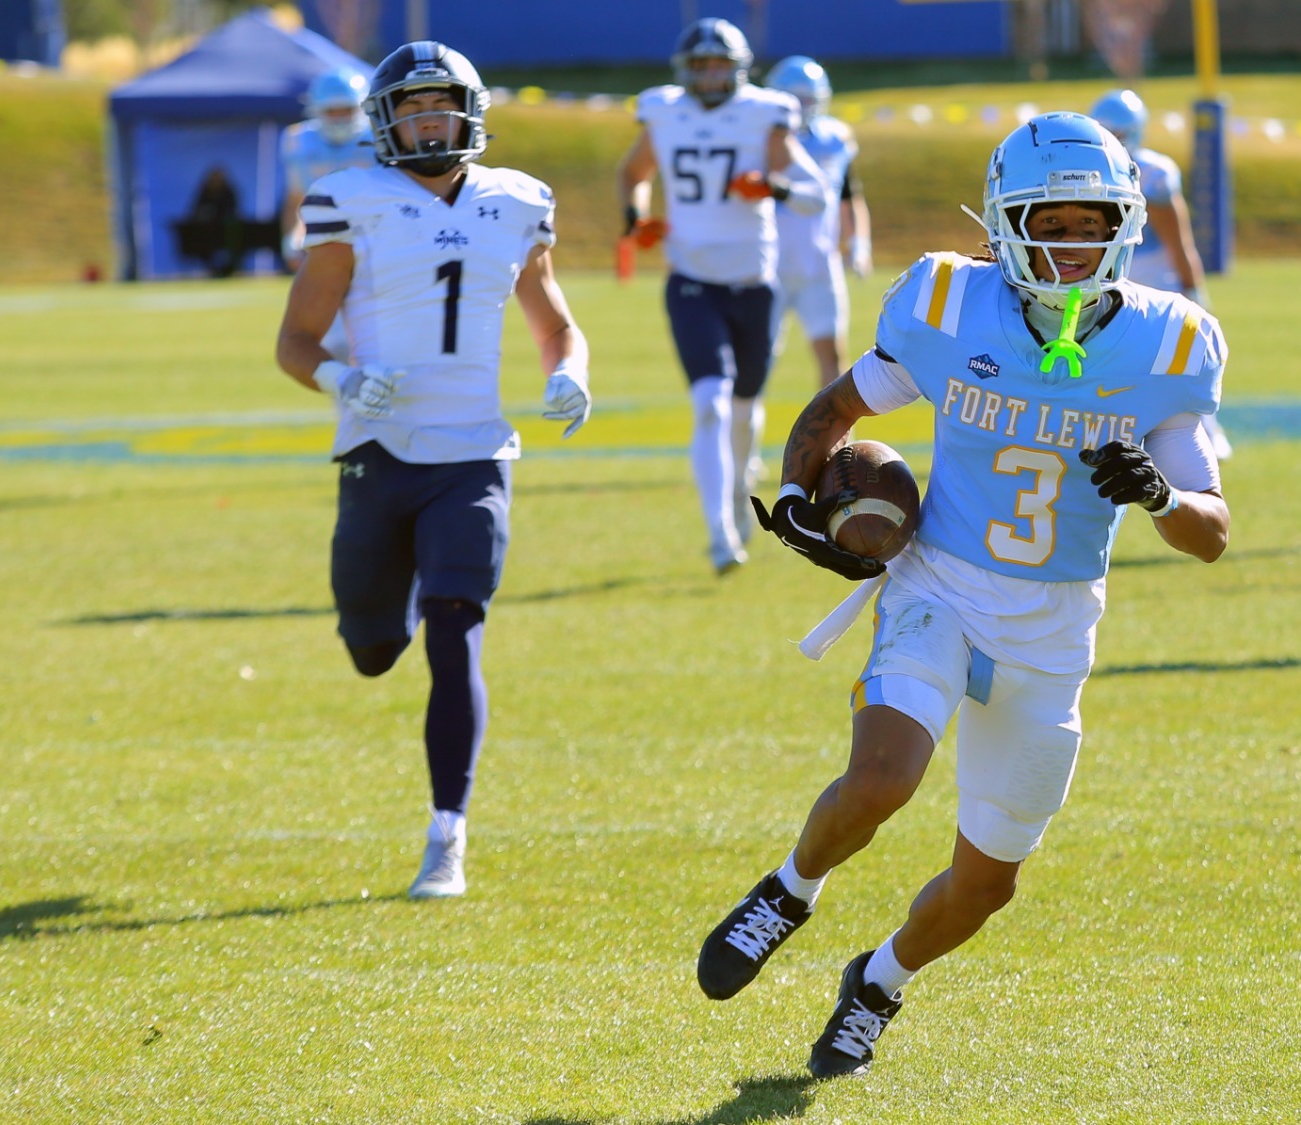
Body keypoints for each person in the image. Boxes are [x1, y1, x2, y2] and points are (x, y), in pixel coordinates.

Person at [695, 112, 1229, 1079]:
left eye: (1091, 224)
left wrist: (1160, 494)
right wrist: (797, 497)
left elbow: (1211, 531)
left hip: (1054, 630)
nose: (1071, 245)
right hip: (939, 583)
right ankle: (788, 890)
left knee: (986, 886)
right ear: (1006, 225)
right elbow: (836, 408)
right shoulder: (949, 302)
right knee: (882, 778)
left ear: (1126, 225)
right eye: (1049, 223)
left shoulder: (1170, 341)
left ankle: (879, 982)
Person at [274, 41, 592, 898]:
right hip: (377, 453)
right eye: (410, 109)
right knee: (374, 649)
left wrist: (570, 370)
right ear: (385, 122)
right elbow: (295, 341)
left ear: (469, 114)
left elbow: (555, 323)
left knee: (456, 633)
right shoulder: (349, 199)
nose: (427, 122)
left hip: (475, 454)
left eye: (439, 106)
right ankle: (397, 604)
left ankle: (447, 834)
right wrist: (342, 379)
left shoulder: (517, 200)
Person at [616, 17, 827, 574]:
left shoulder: (764, 113)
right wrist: (637, 219)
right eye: (701, 66)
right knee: (710, 402)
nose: (710, 76)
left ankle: (738, 488)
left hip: (754, 282)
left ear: (738, 70)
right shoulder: (664, 111)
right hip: (690, 279)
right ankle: (720, 533)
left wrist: (772, 185)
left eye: (719, 65)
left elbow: (815, 195)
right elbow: (633, 172)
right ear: (685, 71)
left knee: (744, 409)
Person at [1090, 88, 1232, 459]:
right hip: (1110, 275)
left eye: (1117, 133)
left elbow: (1178, 241)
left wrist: (1192, 288)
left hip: (1149, 277)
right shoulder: (1090, 173)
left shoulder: (1151, 174)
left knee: (1179, 360)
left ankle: (1206, 433)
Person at [766, 55, 872, 390]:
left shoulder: (834, 137)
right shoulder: (764, 138)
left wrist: (859, 243)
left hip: (820, 263)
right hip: (768, 264)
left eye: (810, 99)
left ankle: (834, 427)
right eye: (798, 99)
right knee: (757, 359)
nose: (805, 107)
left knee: (833, 355)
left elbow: (849, 196)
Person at [282, 68, 375, 271]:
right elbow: (296, 200)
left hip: (374, 235)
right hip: (324, 237)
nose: (340, 118)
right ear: (316, 110)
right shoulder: (298, 140)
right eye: (332, 111)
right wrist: (292, 242)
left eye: (346, 109)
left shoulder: (378, 138)